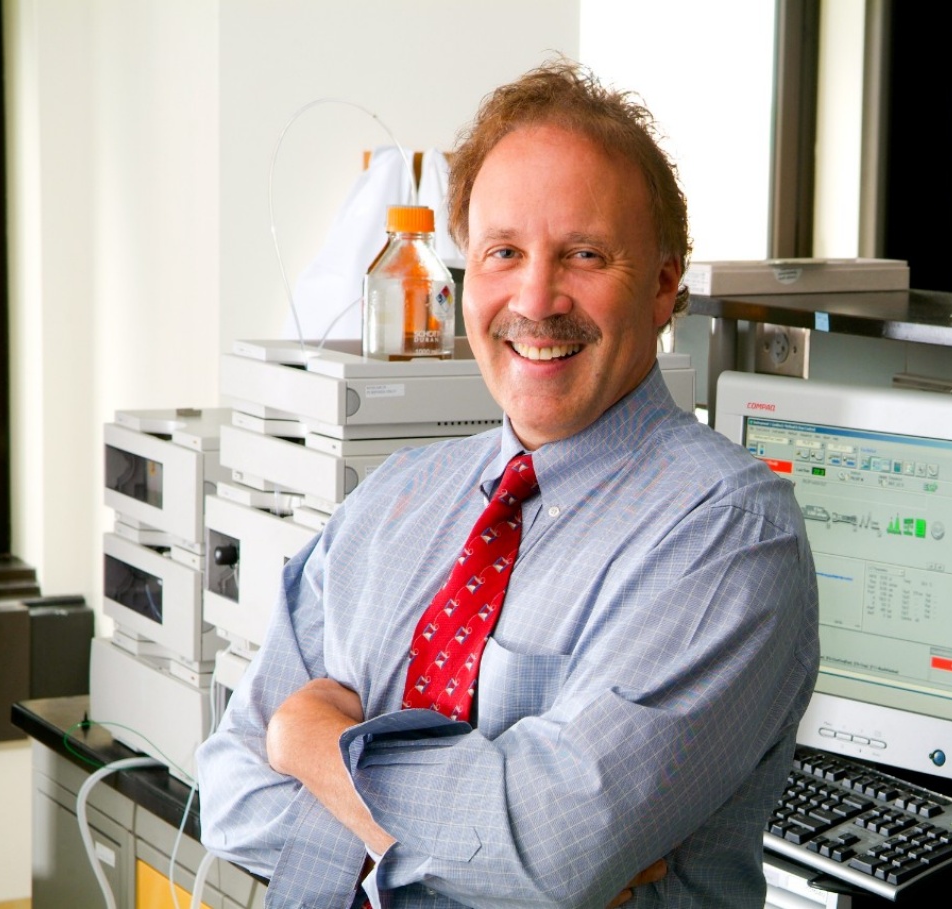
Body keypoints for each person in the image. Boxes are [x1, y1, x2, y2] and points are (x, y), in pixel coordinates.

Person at [196, 58, 819, 908]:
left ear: (663, 285)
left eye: (585, 254)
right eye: (503, 253)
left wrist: (308, 744)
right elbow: (231, 789)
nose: (536, 297)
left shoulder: (729, 532)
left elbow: (550, 851)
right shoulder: (396, 497)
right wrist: (481, 859)